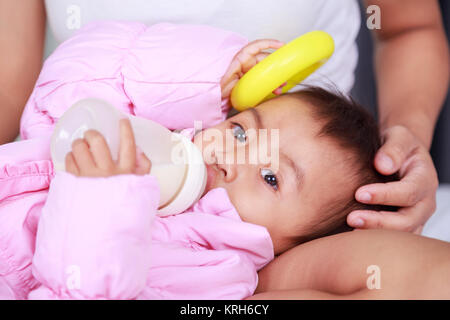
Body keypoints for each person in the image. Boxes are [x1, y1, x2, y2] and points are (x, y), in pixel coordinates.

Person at [0, 0, 448, 298]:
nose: (230, 159)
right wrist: (209, 78)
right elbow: (75, 73)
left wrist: (98, 210)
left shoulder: (212, 271)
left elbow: (407, 27)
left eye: (271, 178)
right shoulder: (135, 120)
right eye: (239, 134)